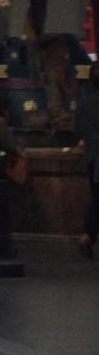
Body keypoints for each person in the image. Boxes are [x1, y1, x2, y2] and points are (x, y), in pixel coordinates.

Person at [75, 73, 99, 260]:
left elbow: (78, 129)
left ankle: (88, 236)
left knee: (96, 197)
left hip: (91, 156)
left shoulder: (83, 102)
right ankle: (87, 236)